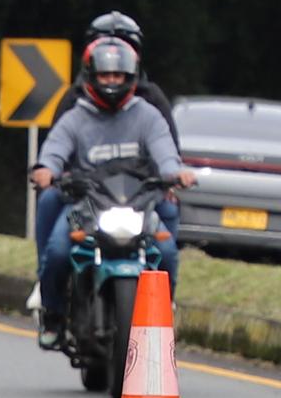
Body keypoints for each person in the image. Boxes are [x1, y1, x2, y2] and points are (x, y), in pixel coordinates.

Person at [27, 33, 193, 338]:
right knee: (59, 252)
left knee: (166, 252)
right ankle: (53, 315)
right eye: (106, 74)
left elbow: (165, 152)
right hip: (87, 204)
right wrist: (46, 170)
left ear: (131, 77)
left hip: (138, 203)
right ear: (91, 76)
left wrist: (176, 173)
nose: (112, 81)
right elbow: (54, 151)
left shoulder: (147, 114)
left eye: (119, 75)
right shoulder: (76, 117)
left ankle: (161, 310)